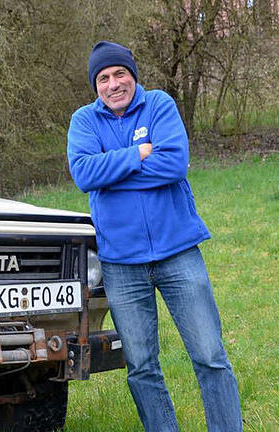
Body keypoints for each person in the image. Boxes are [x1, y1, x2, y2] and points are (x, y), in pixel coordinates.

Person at [66, 41, 243, 432]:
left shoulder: (159, 104)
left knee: (210, 355)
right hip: (122, 263)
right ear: (95, 85)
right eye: (104, 78)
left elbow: (175, 164)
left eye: (120, 75)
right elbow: (84, 175)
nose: (114, 84)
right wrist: (137, 154)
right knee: (142, 366)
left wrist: (111, 176)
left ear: (133, 76)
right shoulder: (84, 122)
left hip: (177, 252)